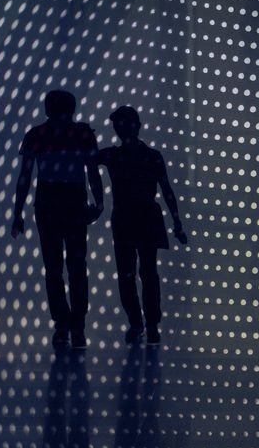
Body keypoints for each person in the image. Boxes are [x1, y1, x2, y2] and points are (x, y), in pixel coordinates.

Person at [11, 89, 104, 350]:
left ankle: (64, 325)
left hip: (49, 201)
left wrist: (17, 212)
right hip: (72, 201)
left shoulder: (36, 135)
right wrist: (99, 203)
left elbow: (25, 177)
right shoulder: (82, 134)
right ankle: (76, 326)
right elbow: (93, 172)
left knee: (54, 267)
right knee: (75, 265)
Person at [97, 106, 187, 344]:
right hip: (140, 217)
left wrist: (177, 222)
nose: (120, 130)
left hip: (134, 217)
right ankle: (145, 324)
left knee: (137, 274)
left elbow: (166, 189)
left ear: (136, 125)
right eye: (118, 125)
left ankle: (142, 324)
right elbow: (166, 189)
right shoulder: (147, 156)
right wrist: (176, 222)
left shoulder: (117, 156)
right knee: (143, 273)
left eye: (123, 125)